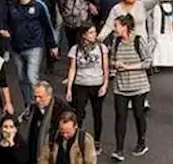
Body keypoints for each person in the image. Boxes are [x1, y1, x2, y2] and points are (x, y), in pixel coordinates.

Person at [3, 0, 57, 108]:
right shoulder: (12, 6)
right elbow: (7, 23)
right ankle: (29, 105)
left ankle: (41, 106)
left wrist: (53, 45)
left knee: (32, 77)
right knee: (22, 79)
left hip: (34, 46)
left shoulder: (38, 6)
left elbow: (47, 26)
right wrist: (7, 32)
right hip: (17, 48)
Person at [108, 13, 152, 160]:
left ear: (125, 27)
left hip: (139, 86)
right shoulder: (116, 42)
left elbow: (147, 62)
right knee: (120, 117)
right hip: (120, 86)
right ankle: (119, 149)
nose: (114, 29)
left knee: (139, 115)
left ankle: (141, 142)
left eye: (116, 26)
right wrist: (115, 65)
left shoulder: (139, 41)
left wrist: (128, 66)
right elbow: (112, 60)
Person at [64, 24, 108, 153]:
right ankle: (78, 139)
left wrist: (105, 84)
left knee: (97, 113)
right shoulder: (75, 49)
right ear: (84, 34)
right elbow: (72, 69)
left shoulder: (101, 48)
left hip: (97, 84)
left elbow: (105, 68)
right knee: (79, 113)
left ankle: (97, 141)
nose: (94, 35)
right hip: (80, 84)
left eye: (94, 32)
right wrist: (69, 88)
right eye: (91, 32)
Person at [24, 82, 71, 164]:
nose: (37, 100)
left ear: (49, 96)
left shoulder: (61, 110)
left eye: (40, 97)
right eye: (35, 96)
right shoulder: (34, 107)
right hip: (34, 151)